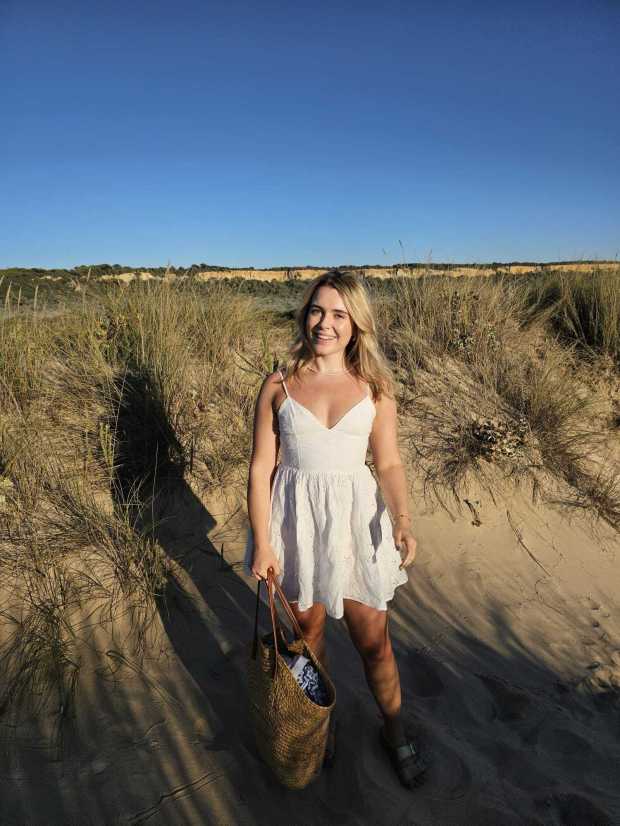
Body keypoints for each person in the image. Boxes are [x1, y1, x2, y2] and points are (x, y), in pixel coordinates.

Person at [244, 269, 428, 788]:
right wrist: (262, 542)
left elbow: (388, 463)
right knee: (309, 634)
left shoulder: (375, 388)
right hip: (294, 525)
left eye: (338, 314)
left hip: (356, 523)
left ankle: (395, 729)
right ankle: (320, 726)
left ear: (355, 325)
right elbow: (260, 468)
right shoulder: (278, 384)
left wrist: (403, 520)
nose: (325, 323)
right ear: (305, 315)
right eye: (317, 311)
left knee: (375, 644)